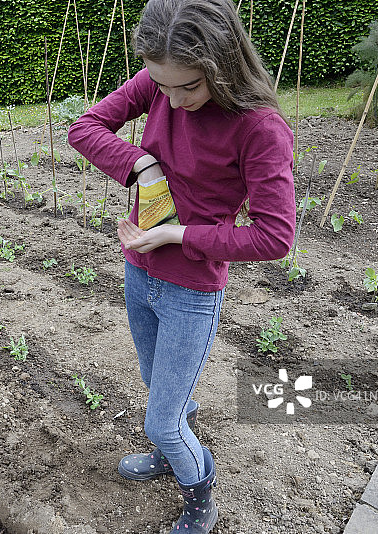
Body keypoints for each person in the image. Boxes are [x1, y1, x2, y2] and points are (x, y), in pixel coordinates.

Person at [67, 0, 296, 531]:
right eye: (160, 85)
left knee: (163, 420)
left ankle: (200, 500)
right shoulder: (162, 80)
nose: (171, 100)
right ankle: (170, 454)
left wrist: (177, 234)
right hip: (140, 271)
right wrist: (140, 164)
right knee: (159, 389)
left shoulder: (259, 128)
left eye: (188, 88)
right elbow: (85, 128)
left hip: (191, 291)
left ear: (222, 64)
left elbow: (275, 236)